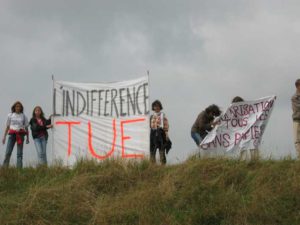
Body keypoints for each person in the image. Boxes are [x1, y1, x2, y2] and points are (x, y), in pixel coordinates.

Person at [2, 101, 29, 168]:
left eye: (19, 106)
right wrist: (4, 137)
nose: (18, 108)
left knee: (19, 153)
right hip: (12, 134)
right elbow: (8, 127)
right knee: (8, 152)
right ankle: (5, 167)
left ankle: (19, 169)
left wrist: (28, 138)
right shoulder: (10, 115)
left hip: (20, 134)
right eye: (17, 106)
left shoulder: (24, 116)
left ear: (21, 108)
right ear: (14, 107)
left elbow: (26, 127)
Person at [231, 96, 259, 160]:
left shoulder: (248, 109)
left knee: (252, 146)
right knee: (243, 146)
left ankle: (254, 161)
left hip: (251, 131)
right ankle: (243, 161)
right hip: (243, 132)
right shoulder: (234, 112)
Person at [150, 100, 169, 165]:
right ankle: (152, 164)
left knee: (162, 149)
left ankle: (163, 164)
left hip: (161, 133)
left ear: (160, 107)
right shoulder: (151, 116)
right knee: (152, 149)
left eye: (158, 106)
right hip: (153, 133)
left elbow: (166, 126)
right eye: (155, 106)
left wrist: (166, 135)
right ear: (153, 107)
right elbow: (150, 126)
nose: (156, 107)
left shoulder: (163, 115)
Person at [292, 79, 300, 158]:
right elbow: (298, 107)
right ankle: (299, 157)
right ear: (297, 86)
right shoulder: (294, 97)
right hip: (297, 120)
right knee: (297, 140)